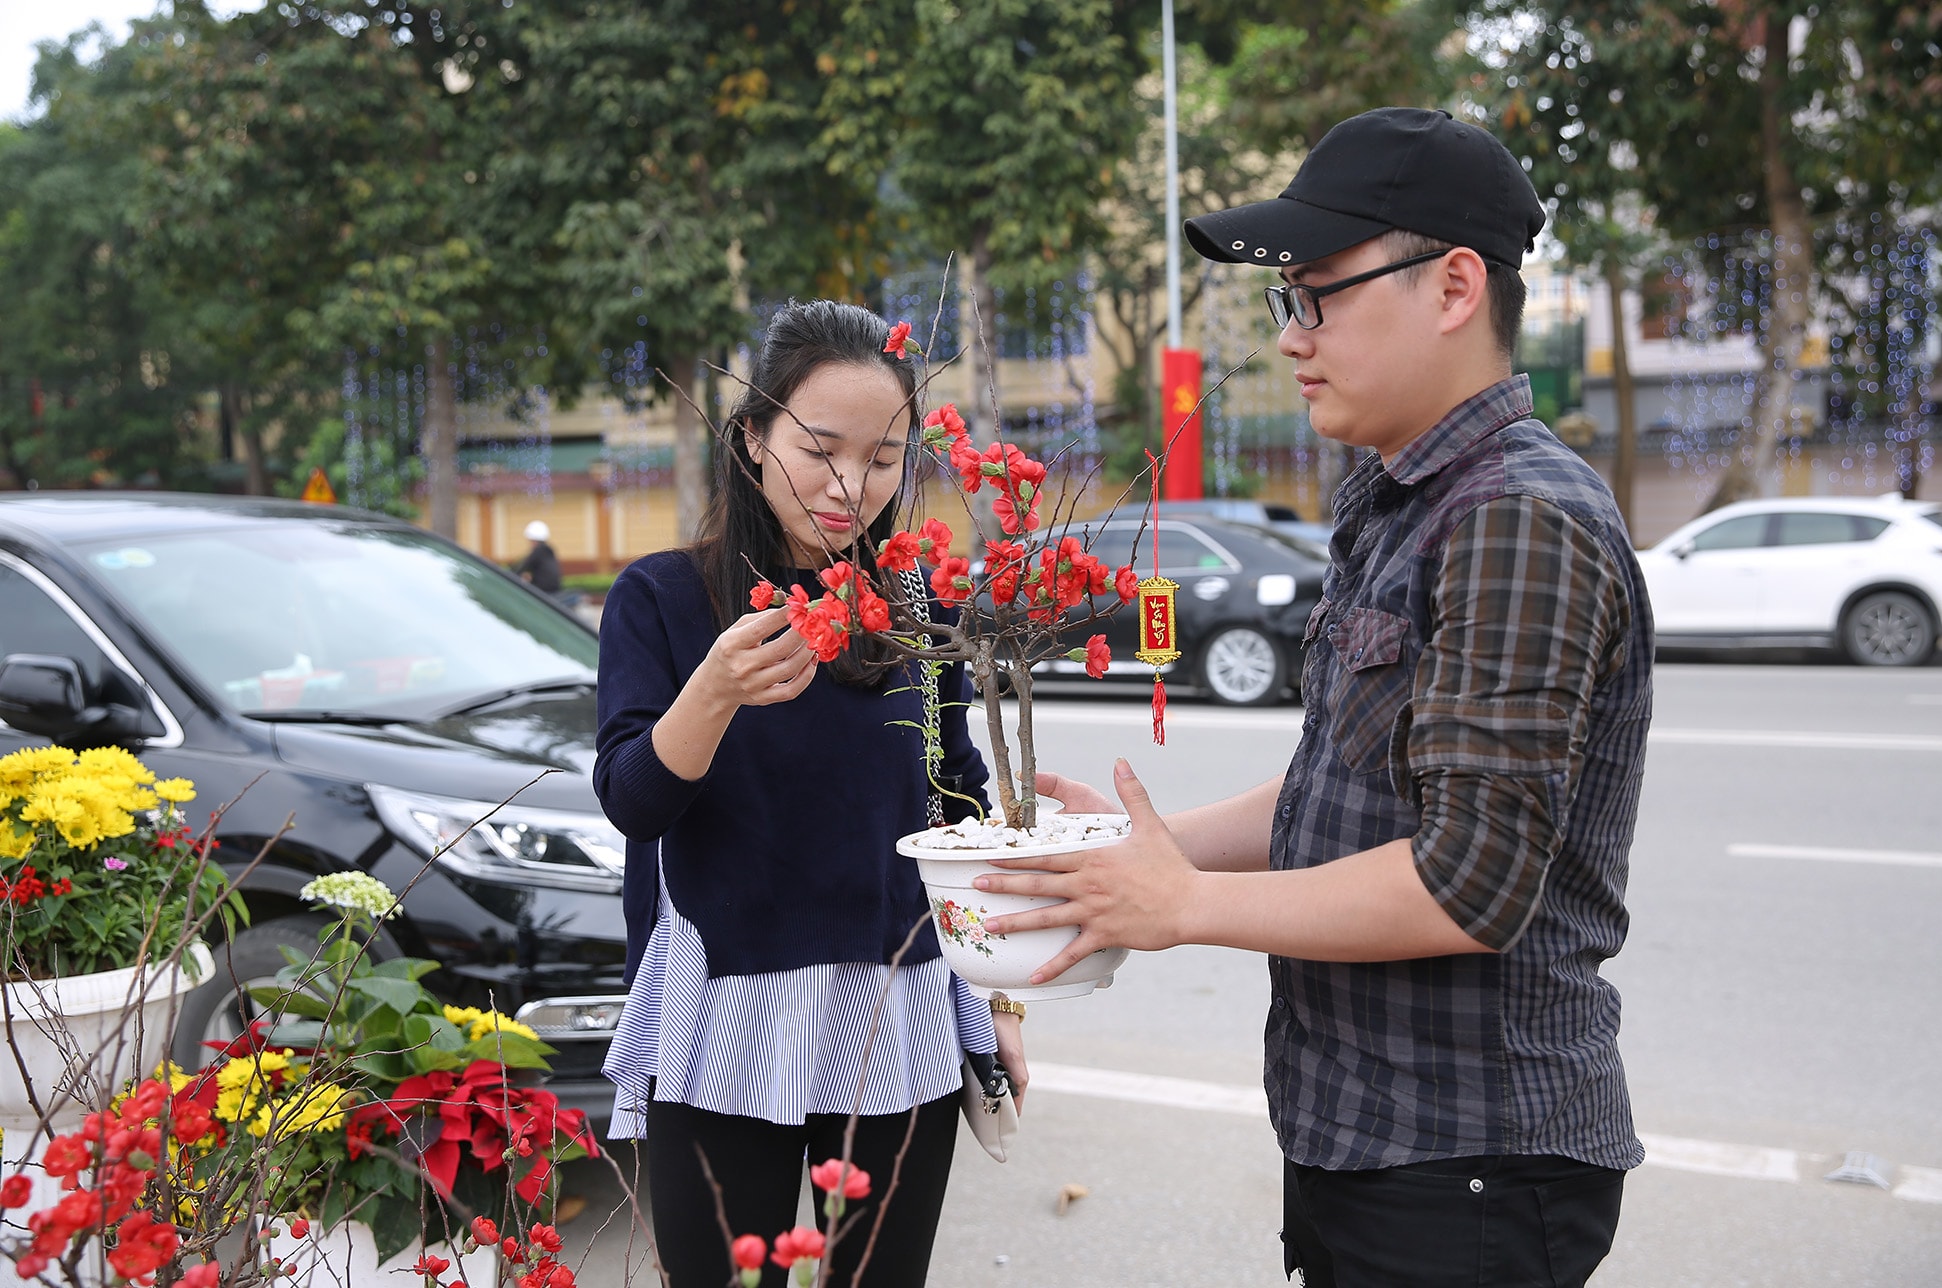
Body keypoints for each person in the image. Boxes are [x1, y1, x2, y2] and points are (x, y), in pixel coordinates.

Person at [977, 107, 1654, 1286]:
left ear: (1451, 288)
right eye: (1282, 300)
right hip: (1366, 1136)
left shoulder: (1513, 516)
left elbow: (1466, 885)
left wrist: (1178, 903)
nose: (1291, 337)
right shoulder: (1395, 494)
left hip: (1467, 1162)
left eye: (1317, 294)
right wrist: (1133, 852)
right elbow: (1345, 781)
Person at [593, 300, 1023, 1288]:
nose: (849, 486)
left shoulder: (914, 604)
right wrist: (712, 691)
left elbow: (951, 797)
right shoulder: (663, 598)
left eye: (883, 458)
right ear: (752, 436)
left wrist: (999, 996)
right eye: (820, 449)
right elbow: (633, 800)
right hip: (723, 1008)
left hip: (899, 1003)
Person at [514, 520, 564, 595]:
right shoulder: (548, 550)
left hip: (543, 592)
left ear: (533, 540)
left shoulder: (538, 551)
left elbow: (522, 568)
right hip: (554, 590)